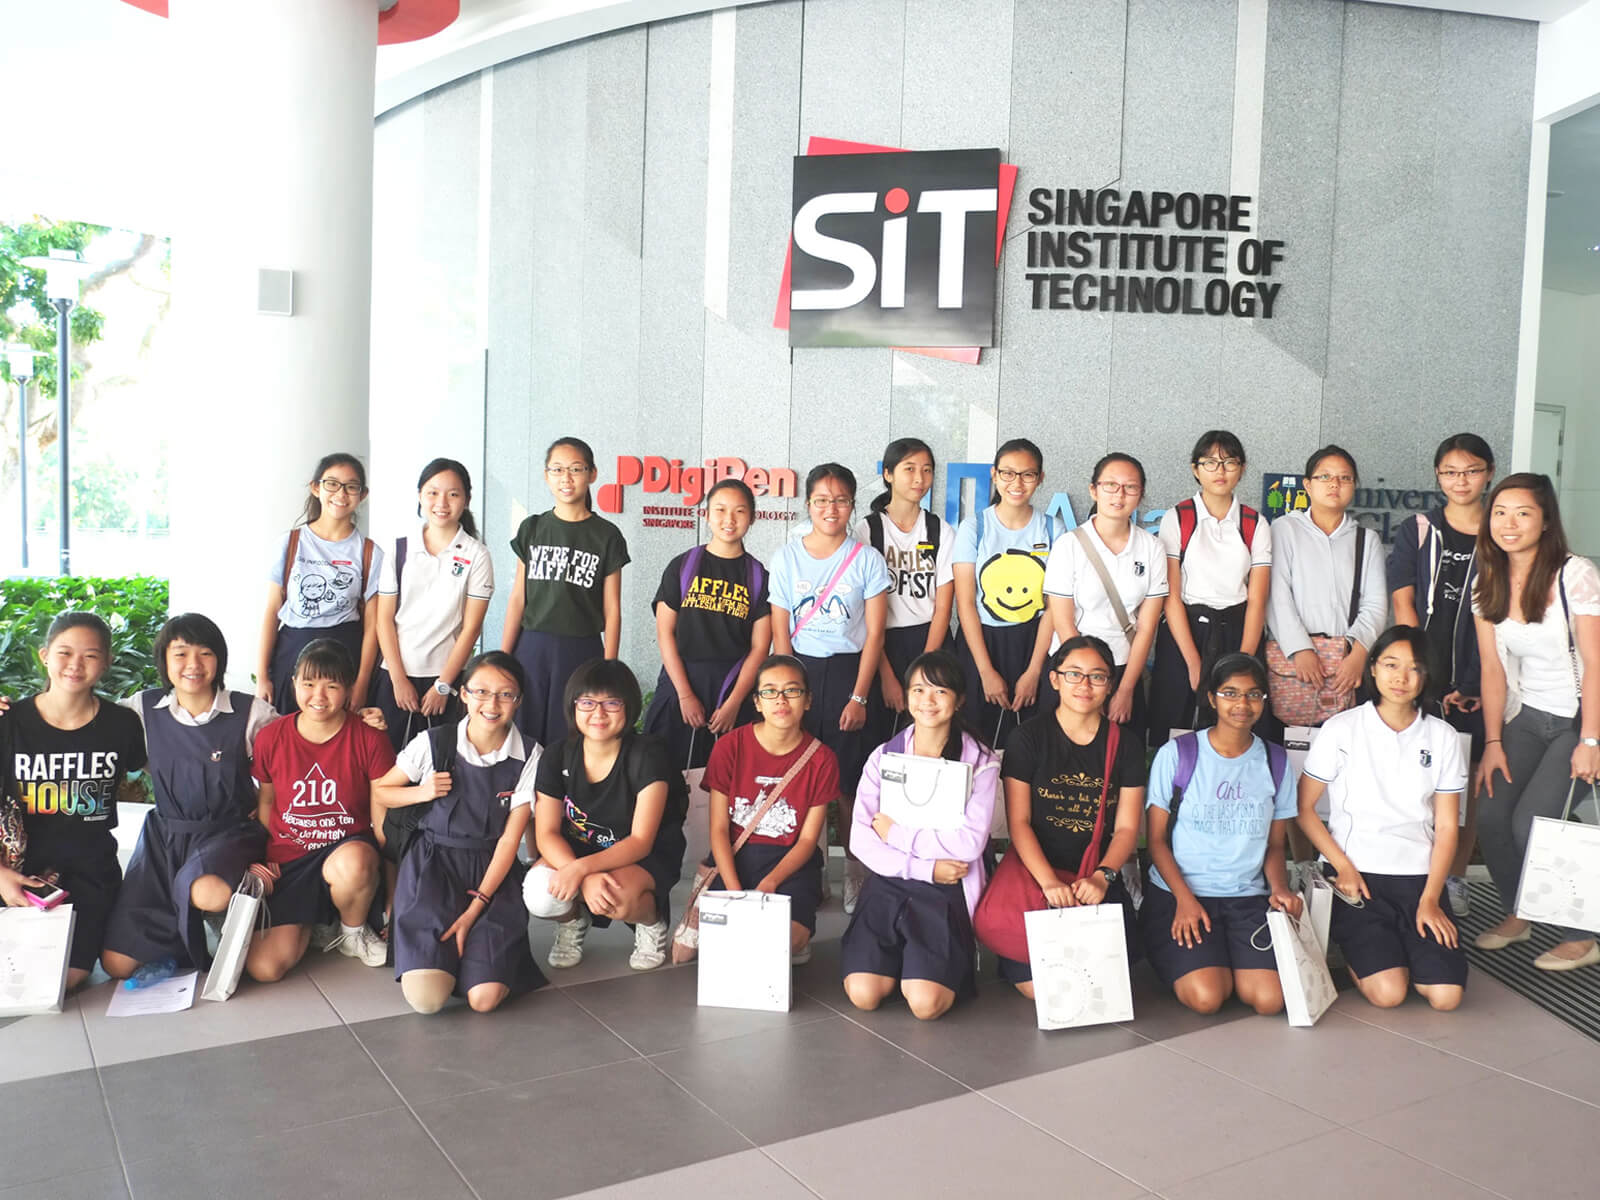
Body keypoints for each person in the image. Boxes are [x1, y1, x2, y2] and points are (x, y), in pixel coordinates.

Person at [1296, 625, 1467, 1010]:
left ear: (1426, 675)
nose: (1401, 678)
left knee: (1446, 997)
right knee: (1389, 994)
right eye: (1391, 664)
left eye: (1414, 668)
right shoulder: (1341, 729)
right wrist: (1343, 867)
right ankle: (1368, 952)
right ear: (1372, 668)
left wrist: (1431, 898)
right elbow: (1304, 809)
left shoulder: (1442, 736)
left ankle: (1402, 949)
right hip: (1357, 876)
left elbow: (1445, 827)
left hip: (1419, 879)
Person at [1470, 473, 1600, 971]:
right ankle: (1518, 911)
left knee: (1536, 825)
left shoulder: (1575, 574)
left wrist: (1590, 738)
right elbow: (1492, 669)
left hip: (1580, 716)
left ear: (1545, 521)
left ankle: (1581, 934)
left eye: (1523, 512)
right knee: (1491, 815)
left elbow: (1594, 663)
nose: (1509, 522)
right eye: (1500, 511)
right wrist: (1494, 741)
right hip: (1528, 716)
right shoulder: (1489, 577)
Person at [372, 651, 545, 1013]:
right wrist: (423, 791)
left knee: (483, 1000)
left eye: (505, 694)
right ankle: (447, 962)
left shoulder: (529, 754)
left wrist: (476, 906)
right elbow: (381, 790)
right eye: (480, 691)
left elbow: (510, 841)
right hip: (431, 867)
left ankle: (473, 961)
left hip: (491, 873)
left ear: (519, 700)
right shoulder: (434, 742)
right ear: (463, 694)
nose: (492, 704)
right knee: (426, 1000)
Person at [101, 614, 270, 980]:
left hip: (230, 834)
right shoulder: (140, 710)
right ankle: (186, 932)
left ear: (219, 660)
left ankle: (230, 907)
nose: (193, 665)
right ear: (164, 660)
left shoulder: (250, 712)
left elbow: (296, 753)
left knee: (207, 893)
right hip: (165, 839)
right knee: (116, 965)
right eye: (180, 654)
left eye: (205, 653)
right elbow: (84, 724)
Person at [977, 636, 1146, 997]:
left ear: (1110, 684)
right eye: (1074, 674)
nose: (1084, 685)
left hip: (1095, 876)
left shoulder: (1126, 745)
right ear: (1054, 679)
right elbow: (1019, 823)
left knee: (1106, 980)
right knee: (1041, 987)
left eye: (1097, 677)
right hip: (1035, 874)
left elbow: (1127, 827)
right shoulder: (1027, 738)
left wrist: (1104, 876)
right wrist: (1049, 882)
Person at [843, 650, 999, 1019]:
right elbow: (861, 840)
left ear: (959, 699)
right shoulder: (883, 756)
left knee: (925, 1006)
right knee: (864, 995)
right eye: (917, 690)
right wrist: (924, 867)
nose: (927, 701)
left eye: (939, 692)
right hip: (894, 879)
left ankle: (921, 966)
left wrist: (895, 833)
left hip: (947, 888)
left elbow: (969, 842)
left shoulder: (981, 762)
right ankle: (902, 961)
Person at [1142, 654, 1298, 1015]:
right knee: (1208, 997)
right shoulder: (1178, 754)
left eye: (1253, 694)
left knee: (1270, 1000)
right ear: (1211, 698)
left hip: (1247, 898)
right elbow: (1157, 841)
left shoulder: (1274, 760)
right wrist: (1183, 899)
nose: (1242, 704)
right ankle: (1190, 954)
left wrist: (1279, 889)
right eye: (1230, 693)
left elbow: (1276, 845)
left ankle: (1225, 956)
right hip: (1181, 893)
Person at [769, 463, 892, 914]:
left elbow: (875, 635)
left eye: (840, 500)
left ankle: (856, 873)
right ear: (808, 504)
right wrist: (787, 690)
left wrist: (860, 696)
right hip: (799, 671)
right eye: (821, 500)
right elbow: (780, 629)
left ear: (852, 506)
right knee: (801, 779)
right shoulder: (786, 557)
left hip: (847, 673)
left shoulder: (866, 559)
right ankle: (809, 872)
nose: (831, 508)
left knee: (849, 783)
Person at [0, 613, 147, 989]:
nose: (75, 665)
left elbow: (172, 765)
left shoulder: (122, 725)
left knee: (64, 976)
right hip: (16, 868)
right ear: (44, 655)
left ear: (107, 662)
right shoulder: (9, 723)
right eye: (64, 652)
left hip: (90, 872)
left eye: (91, 655)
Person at [244, 640, 395, 982]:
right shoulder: (270, 738)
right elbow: (265, 803)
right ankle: (318, 924)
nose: (319, 696)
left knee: (353, 863)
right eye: (309, 684)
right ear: (294, 683)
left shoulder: (369, 737)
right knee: (265, 969)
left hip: (346, 854)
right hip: (290, 861)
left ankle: (352, 932)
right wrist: (263, 858)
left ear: (348, 688)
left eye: (332, 685)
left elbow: (382, 819)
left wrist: (392, 891)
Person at [523, 659, 689, 971]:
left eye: (611, 703)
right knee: (539, 892)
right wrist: (580, 874)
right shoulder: (557, 754)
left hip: (640, 855)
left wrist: (581, 872)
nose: (598, 713)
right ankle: (573, 920)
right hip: (578, 849)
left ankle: (652, 922)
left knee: (616, 898)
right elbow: (546, 832)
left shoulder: (647, 755)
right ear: (573, 705)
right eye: (587, 702)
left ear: (629, 707)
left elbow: (640, 841)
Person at [1388, 433, 1495, 915]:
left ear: (1488, 472)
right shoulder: (1419, 529)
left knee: (1468, 780)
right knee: (1417, 774)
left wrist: (1471, 684)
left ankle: (1453, 877)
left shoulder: (1500, 532)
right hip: (1424, 676)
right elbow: (1403, 602)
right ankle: (1414, 871)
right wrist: (1422, 676)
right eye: (1450, 472)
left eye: (1470, 471)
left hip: (1481, 675)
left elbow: (1501, 613)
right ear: (1437, 476)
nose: (1461, 481)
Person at [697, 655, 838, 963]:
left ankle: (795, 932)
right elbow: (719, 828)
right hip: (736, 853)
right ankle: (709, 887)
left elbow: (806, 841)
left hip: (790, 861)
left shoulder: (822, 759)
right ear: (757, 702)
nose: (781, 700)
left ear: (808, 700)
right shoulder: (729, 746)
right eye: (770, 692)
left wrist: (770, 884)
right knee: (698, 950)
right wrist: (735, 891)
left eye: (792, 690)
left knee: (788, 939)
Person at [500, 436, 630, 749]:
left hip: (581, 651)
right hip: (532, 646)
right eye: (557, 470)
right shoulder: (532, 528)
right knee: (523, 734)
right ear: (546, 476)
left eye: (575, 469)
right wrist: (503, 658)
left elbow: (612, 609)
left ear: (593, 474)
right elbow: (518, 598)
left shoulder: (606, 535)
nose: (566, 478)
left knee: (570, 736)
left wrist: (608, 668)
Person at [1149, 431, 1271, 746]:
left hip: (1239, 631)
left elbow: (1257, 600)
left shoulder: (1254, 523)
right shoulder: (1178, 517)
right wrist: (1193, 662)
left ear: (1242, 469)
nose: (1220, 471)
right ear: (1195, 468)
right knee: (1176, 721)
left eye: (1229, 462)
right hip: (1185, 632)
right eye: (1210, 462)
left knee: (1237, 722)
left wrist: (1245, 661)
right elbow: (1171, 597)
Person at [642, 477, 773, 769]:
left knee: (726, 776)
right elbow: (665, 633)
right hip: (680, 682)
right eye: (720, 510)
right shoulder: (683, 565)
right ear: (706, 514)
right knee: (665, 772)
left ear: (751, 517)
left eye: (739, 511)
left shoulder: (758, 576)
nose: (729, 519)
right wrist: (685, 694)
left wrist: (734, 703)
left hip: (731, 688)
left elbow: (760, 647)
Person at [1044, 452, 1167, 746]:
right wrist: (1085, 682)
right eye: (1110, 485)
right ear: (1093, 489)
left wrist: (1123, 690)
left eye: (1130, 487)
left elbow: (1147, 627)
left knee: (1119, 761)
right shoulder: (1068, 545)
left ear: (1141, 494)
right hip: (1071, 670)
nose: (1119, 494)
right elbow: (1062, 621)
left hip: (1124, 668)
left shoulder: (1151, 548)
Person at [372, 457, 494, 754]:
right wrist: (399, 680)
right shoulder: (399, 548)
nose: (442, 502)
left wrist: (444, 685)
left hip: (445, 679)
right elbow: (384, 619)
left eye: (453, 494)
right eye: (433, 492)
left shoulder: (477, 555)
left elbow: (471, 628)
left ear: (466, 500)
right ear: (419, 496)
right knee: (387, 762)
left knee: (440, 765)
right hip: (394, 675)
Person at [1264, 444, 1387, 724]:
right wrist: (1300, 649)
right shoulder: (1285, 529)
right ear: (1307, 485)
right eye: (1325, 477)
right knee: (1290, 745)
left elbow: (1376, 603)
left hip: (1347, 664)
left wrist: (1358, 654)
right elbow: (1276, 594)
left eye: (1344, 478)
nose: (1335, 484)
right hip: (1293, 661)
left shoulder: (1366, 540)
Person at [256, 452, 383, 713]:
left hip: (344, 652)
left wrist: (361, 682)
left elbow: (373, 626)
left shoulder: (370, 553)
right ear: (316, 488)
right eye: (332, 483)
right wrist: (263, 675)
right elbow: (271, 611)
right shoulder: (290, 543)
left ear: (363, 495)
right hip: (292, 652)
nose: (341, 493)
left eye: (351, 487)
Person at [953, 438, 1056, 750]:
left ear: (1040, 478)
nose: (1017, 483)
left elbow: (1054, 608)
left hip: (1034, 644)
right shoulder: (974, 528)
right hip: (982, 643)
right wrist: (985, 670)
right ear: (994, 475)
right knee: (976, 740)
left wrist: (1034, 671)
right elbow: (966, 604)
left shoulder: (1053, 530)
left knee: (1033, 741)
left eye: (1027, 474)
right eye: (1008, 473)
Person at [855, 437, 955, 747]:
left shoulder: (941, 530)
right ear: (888, 474)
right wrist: (885, 674)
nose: (919, 478)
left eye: (927, 470)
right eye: (909, 468)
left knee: (934, 740)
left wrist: (924, 671)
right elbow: (863, 613)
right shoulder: (867, 530)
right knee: (882, 741)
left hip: (932, 642)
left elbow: (943, 607)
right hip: (882, 645)